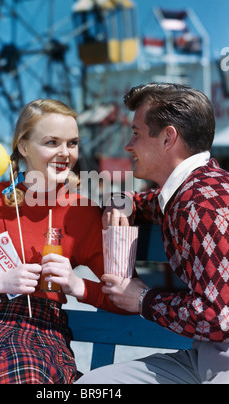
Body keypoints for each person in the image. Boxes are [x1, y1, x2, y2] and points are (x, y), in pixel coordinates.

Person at [0, 99, 125, 385]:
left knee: (16, 365)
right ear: (23, 146)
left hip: (40, 331)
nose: (65, 153)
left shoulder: (82, 212)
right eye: (51, 142)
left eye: (72, 143)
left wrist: (75, 284)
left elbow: (123, 296)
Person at [76, 83, 229, 384]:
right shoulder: (193, 190)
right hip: (205, 357)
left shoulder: (200, 206)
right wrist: (121, 202)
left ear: (168, 138)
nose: (128, 145)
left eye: (137, 132)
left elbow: (218, 316)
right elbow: (141, 201)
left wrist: (143, 299)